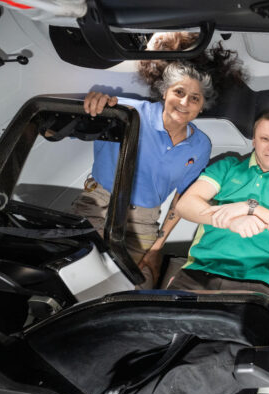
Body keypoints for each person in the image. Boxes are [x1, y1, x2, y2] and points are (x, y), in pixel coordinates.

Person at [71, 61, 214, 288]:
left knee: (138, 289)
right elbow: (52, 128)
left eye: (195, 98)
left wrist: (157, 247)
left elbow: (182, 199)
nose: (185, 102)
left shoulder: (200, 145)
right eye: (179, 92)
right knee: (82, 281)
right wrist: (89, 105)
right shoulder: (125, 111)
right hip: (100, 205)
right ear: (164, 91)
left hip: (145, 222)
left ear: (202, 106)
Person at [165, 112, 269, 297]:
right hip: (198, 271)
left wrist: (250, 208)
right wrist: (231, 221)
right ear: (254, 141)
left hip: (255, 280)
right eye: (265, 139)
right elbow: (185, 205)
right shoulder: (227, 166)